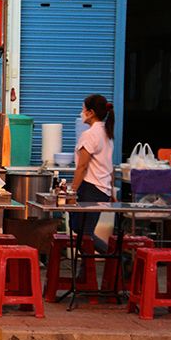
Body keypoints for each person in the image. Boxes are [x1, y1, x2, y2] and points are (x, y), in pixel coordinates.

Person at [71, 94, 115, 254]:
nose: (81, 112)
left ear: (91, 112)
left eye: (83, 109)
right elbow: (109, 165)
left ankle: (119, 258)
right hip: (101, 188)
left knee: (84, 234)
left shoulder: (90, 134)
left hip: (91, 188)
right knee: (81, 230)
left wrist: (72, 190)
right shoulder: (106, 133)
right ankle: (84, 274)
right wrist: (111, 189)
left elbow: (82, 166)